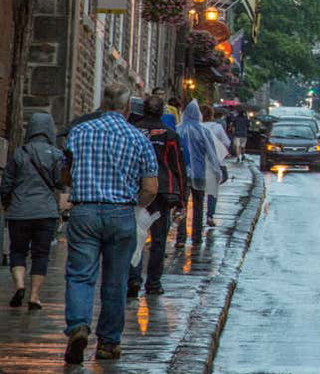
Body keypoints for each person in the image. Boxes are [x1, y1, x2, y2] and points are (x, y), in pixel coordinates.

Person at [62, 85, 159, 363]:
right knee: (115, 281)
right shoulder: (138, 138)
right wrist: (134, 204)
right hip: (121, 213)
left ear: (102, 104)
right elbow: (151, 187)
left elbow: (66, 175)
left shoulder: (79, 132)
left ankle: (79, 326)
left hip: (85, 211)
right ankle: (108, 343)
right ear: (128, 109)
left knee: (80, 274)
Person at [2, 113, 65, 310]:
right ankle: (34, 295)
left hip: (20, 212)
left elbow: (6, 184)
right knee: (41, 254)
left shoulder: (19, 153)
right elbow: (59, 183)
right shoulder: (56, 155)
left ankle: (20, 285)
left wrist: (7, 203)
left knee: (18, 251)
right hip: (46, 212)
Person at [127, 96, 187, 298]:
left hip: (136, 189)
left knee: (135, 235)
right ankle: (153, 283)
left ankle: (133, 277)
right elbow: (177, 167)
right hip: (161, 192)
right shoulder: (169, 135)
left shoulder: (133, 132)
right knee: (158, 240)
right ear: (163, 112)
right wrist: (181, 199)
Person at [176, 101, 223, 248]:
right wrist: (217, 170)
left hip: (182, 174)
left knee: (182, 206)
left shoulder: (177, 130)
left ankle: (181, 238)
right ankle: (196, 237)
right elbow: (211, 153)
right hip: (199, 174)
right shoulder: (203, 131)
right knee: (198, 205)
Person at [199, 105, 230, 228]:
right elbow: (227, 142)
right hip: (215, 163)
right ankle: (210, 216)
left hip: (198, 163)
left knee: (198, 192)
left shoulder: (196, 127)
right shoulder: (217, 127)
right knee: (213, 191)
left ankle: (197, 214)